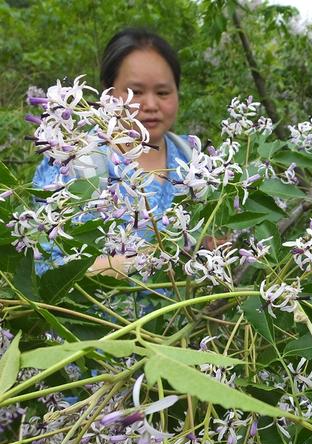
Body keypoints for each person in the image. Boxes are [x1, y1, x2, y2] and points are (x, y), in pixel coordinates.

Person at [32, 27, 192, 277]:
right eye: (135, 92)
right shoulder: (74, 158)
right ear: (107, 93)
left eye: (163, 92)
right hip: (95, 315)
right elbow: (44, 266)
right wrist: (133, 263)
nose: (151, 105)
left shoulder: (192, 157)